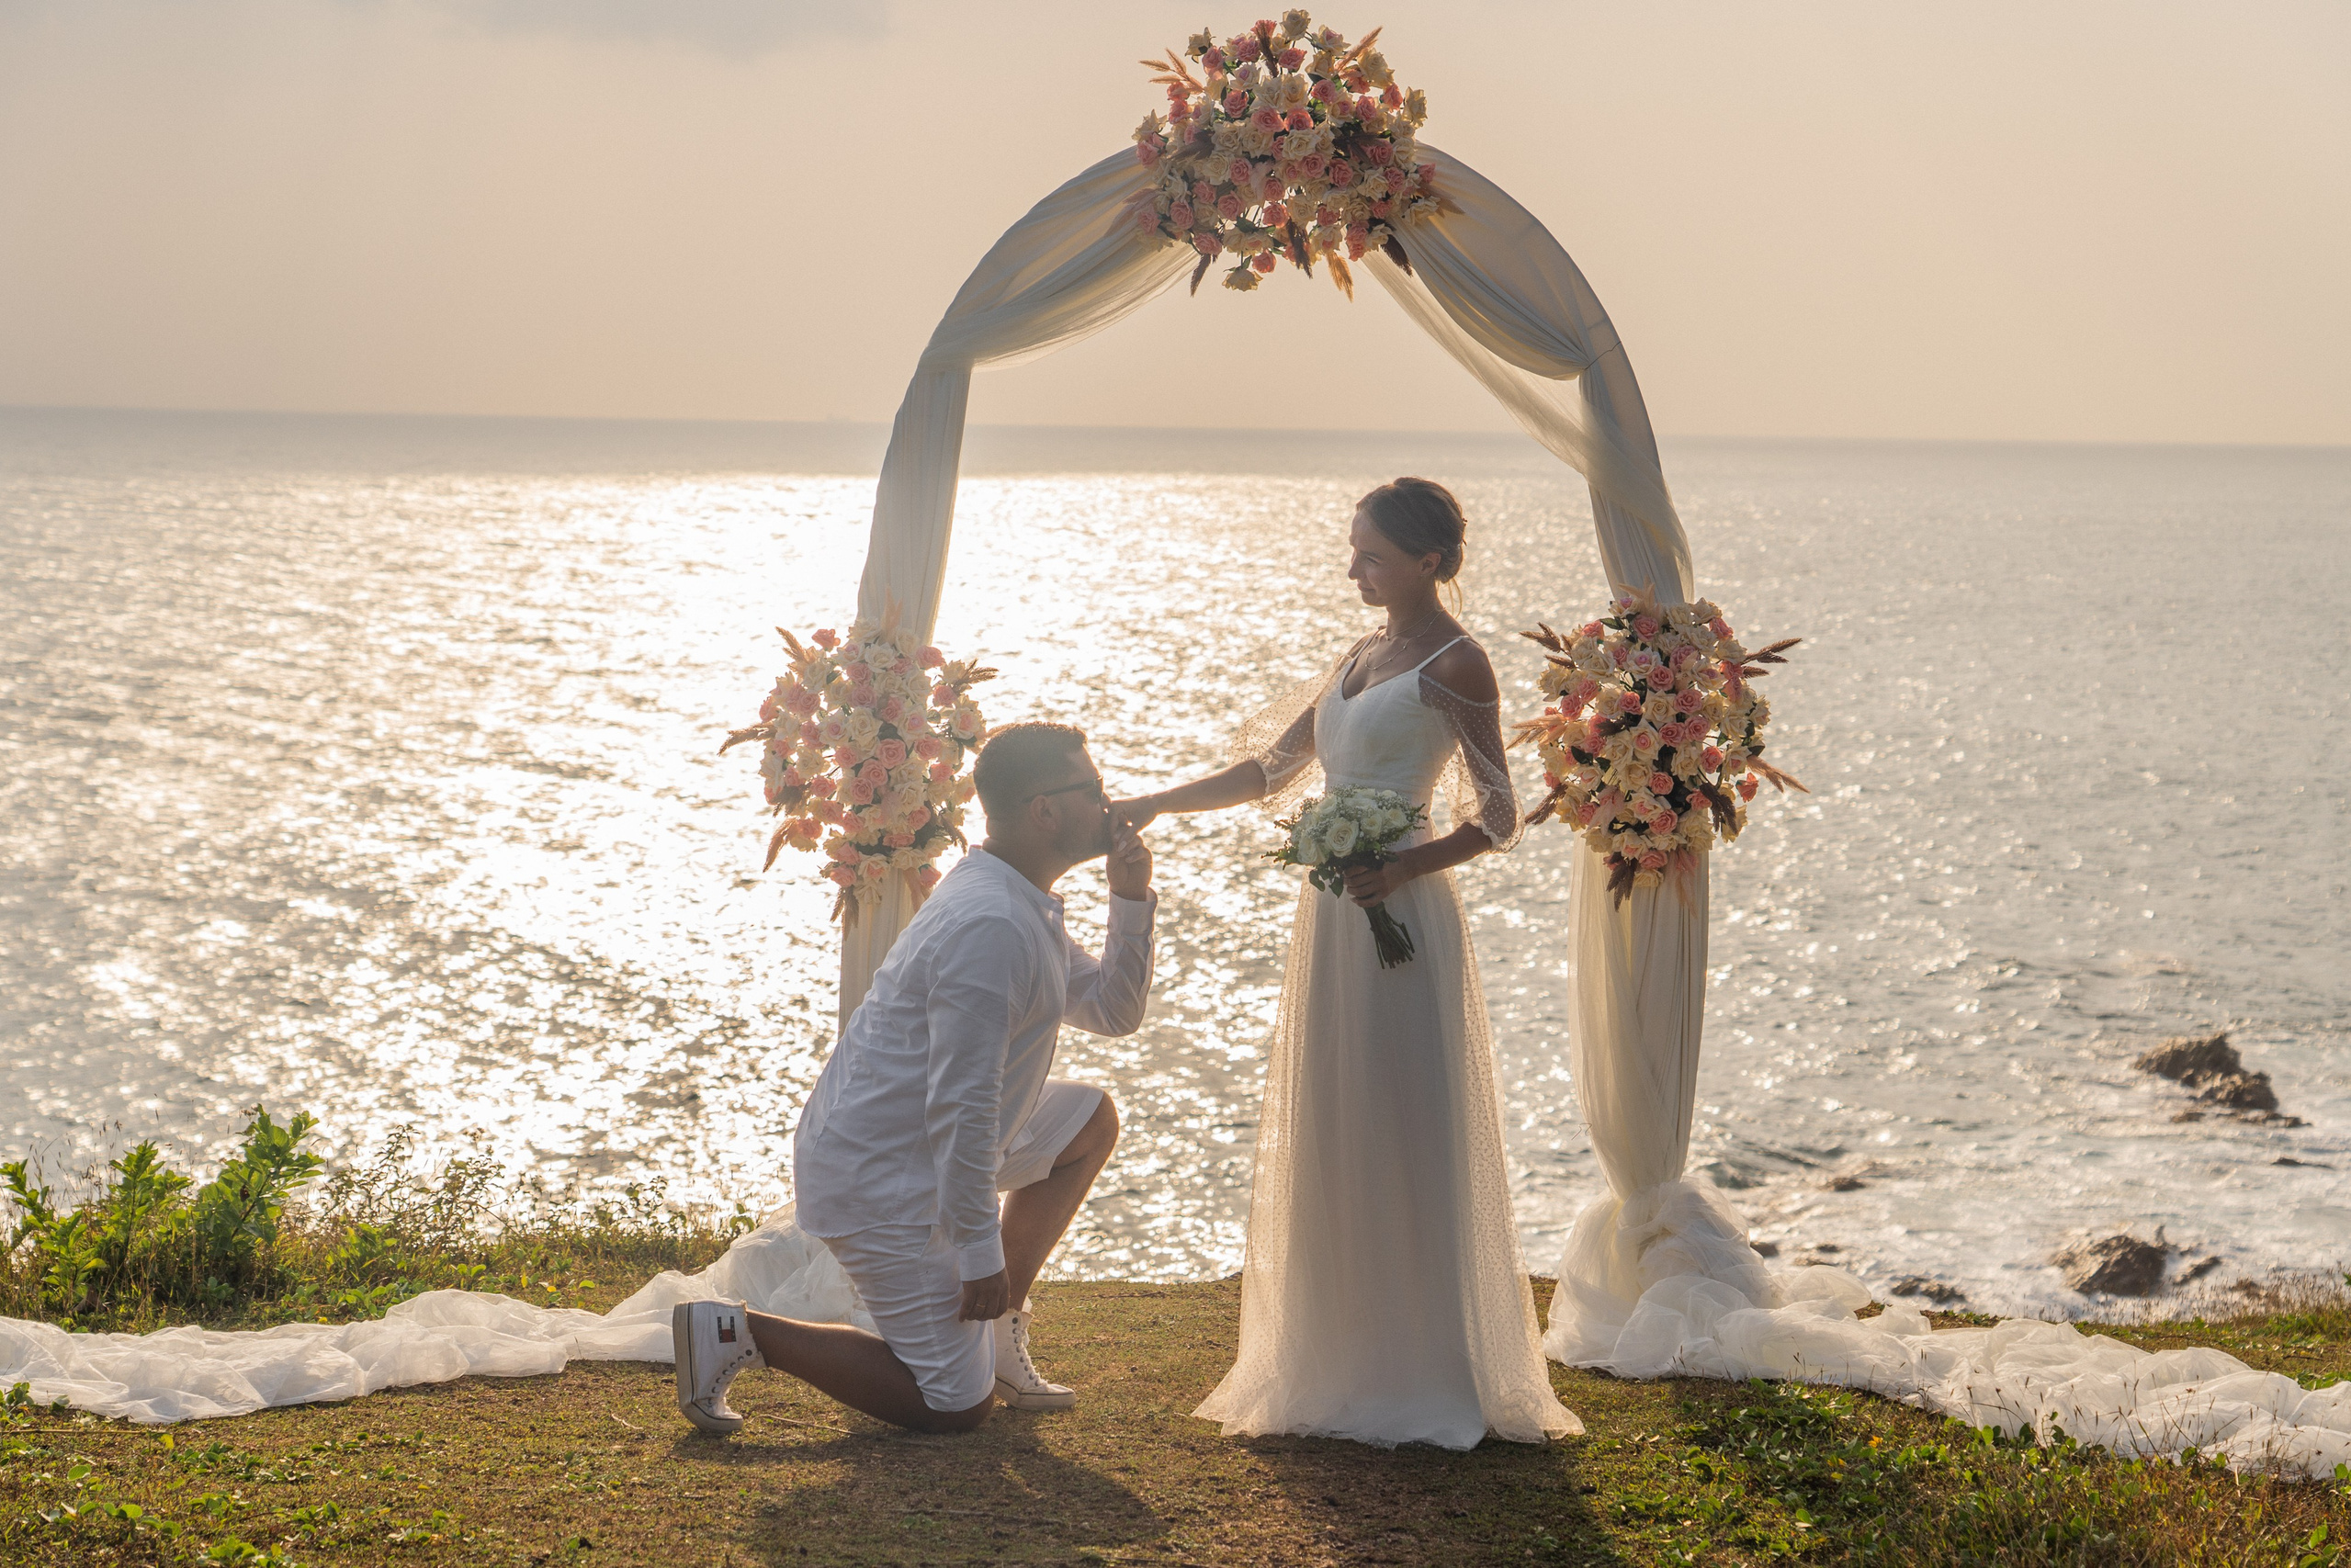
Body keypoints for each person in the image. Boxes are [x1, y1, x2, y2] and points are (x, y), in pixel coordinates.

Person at [1116, 478, 1578, 1449]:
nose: (1354, 568)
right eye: (1353, 548)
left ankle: (1419, 1362)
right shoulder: (1360, 654)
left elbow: (1499, 815)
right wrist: (1156, 801)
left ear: (1429, 561)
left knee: (1401, 1113)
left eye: (1369, 554)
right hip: (1330, 918)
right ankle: (1335, 1350)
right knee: (1334, 1111)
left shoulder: (1461, 664)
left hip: (1401, 914)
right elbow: (1270, 773)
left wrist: (1404, 862)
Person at [673, 722, 1157, 1435]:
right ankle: (731, 1330)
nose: (1110, 804)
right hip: (883, 1172)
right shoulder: (991, 921)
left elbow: (1114, 1010)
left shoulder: (1017, 895)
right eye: (1093, 790)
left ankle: (995, 1332)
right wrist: (978, 1252)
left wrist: (1130, 899)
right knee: (953, 1404)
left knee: (1087, 1121)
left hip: (919, 1143)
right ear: (1043, 810)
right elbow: (961, 1106)